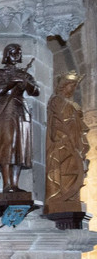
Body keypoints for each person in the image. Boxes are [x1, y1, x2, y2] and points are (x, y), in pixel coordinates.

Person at [0, 43, 39, 193]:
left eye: (19, 52)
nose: (16, 55)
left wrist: (26, 83)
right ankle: (6, 184)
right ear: (7, 54)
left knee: (19, 147)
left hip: (20, 109)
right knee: (7, 145)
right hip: (5, 109)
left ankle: (15, 184)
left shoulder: (25, 74)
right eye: (13, 52)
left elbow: (36, 91)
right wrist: (14, 81)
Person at [45, 71, 89, 212]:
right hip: (62, 142)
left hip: (74, 141)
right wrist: (64, 137)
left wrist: (78, 114)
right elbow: (56, 122)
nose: (73, 88)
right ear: (64, 86)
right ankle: (60, 197)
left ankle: (71, 197)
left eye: (75, 86)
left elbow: (77, 123)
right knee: (62, 169)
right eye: (72, 85)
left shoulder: (72, 104)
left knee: (74, 169)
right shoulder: (57, 100)